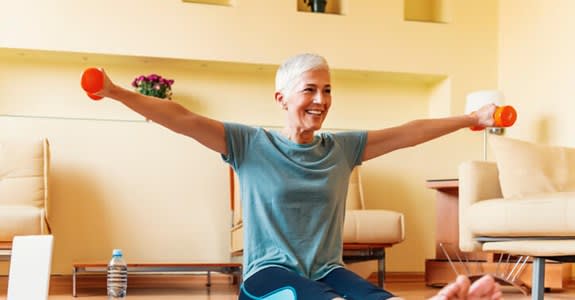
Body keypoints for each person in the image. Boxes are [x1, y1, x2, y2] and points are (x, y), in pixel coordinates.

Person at [90, 53, 501, 300]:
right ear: (281, 97)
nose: (321, 100)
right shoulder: (248, 144)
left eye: (327, 90)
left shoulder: (343, 149)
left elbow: (409, 132)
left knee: (374, 295)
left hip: (326, 269)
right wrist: (115, 92)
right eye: (309, 89)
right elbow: (182, 118)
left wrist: (471, 118)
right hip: (267, 278)